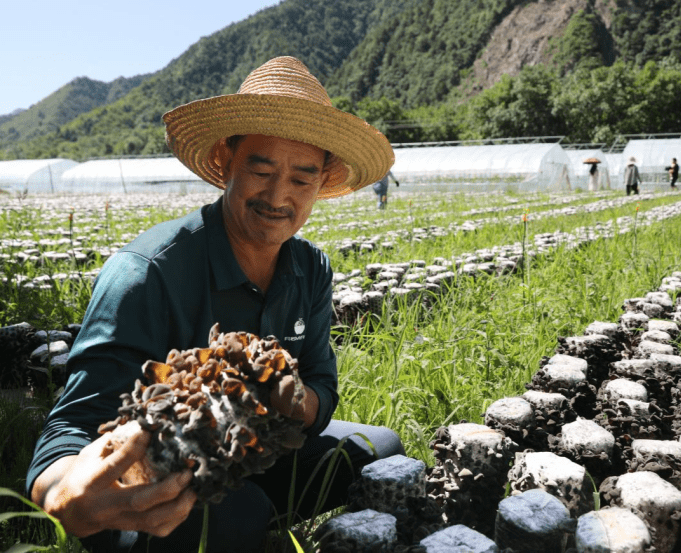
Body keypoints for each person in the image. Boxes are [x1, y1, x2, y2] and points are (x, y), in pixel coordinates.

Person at [26, 57, 405, 553]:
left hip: (261, 448)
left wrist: (294, 401)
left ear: (322, 180)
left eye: (301, 178)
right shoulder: (147, 272)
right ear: (226, 160)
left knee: (382, 451)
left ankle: (255, 514)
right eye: (261, 168)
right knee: (235, 515)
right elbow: (73, 422)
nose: (278, 195)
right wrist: (61, 491)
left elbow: (322, 383)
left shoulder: (311, 269)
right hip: (167, 471)